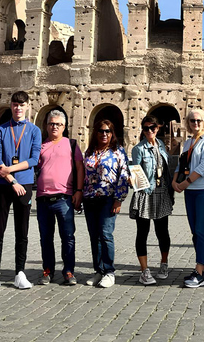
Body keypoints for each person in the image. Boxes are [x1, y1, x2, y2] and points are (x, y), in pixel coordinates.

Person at [0, 91, 42, 292]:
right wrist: (11, 179)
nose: (18, 108)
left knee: (22, 231)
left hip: (23, 184)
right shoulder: (2, 129)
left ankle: (20, 272)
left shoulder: (34, 130)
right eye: (15, 104)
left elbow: (34, 159)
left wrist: (11, 170)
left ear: (27, 106)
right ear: (11, 105)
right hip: (4, 185)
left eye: (21, 105)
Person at [35, 110, 83, 286]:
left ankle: (68, 270)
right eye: (51, 123)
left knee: (68, 236)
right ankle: (47, 270)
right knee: (45, 238)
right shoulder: (40, 145)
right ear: (46, 125)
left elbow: (80, 168)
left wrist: (79, 191)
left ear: (64, 127)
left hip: (64, 198)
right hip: (43, 198)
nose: (54, 126)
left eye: (58, 124)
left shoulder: (71, 144)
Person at [82, 119, 130, 288]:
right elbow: (84, 175)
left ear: (112, 134)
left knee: (106, 234)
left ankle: (109, 271)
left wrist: (119, 199)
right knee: (94, 235)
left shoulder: (118, 151)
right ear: (96, 132)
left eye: (108, 131)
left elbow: (124, 176)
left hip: (108, 198)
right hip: (89, 198)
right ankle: (98, 270)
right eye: (101, 131)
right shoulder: (89, 151)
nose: (104, 134)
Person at [173, 108, 204, 288]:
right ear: (188, 124)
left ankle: (198, 271)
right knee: (195, 231)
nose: (196, 123)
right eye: (192, 121)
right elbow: (181, 164)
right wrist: (175, 181)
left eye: (199, 121)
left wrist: (186, 182)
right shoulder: (187, 143)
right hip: (190, 190)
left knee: (201, 230)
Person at [130, 116, 173, 285]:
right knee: (143, 232)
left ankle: (164, 263)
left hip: (162, 192)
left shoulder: (161, 145)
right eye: (146, 128)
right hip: (145, 193)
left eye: (152, 127)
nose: (149, 131)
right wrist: (143, 189)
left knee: (163, 232)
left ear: (158, 128)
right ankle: (144, 270)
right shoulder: (138, 149)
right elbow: (136, 173)